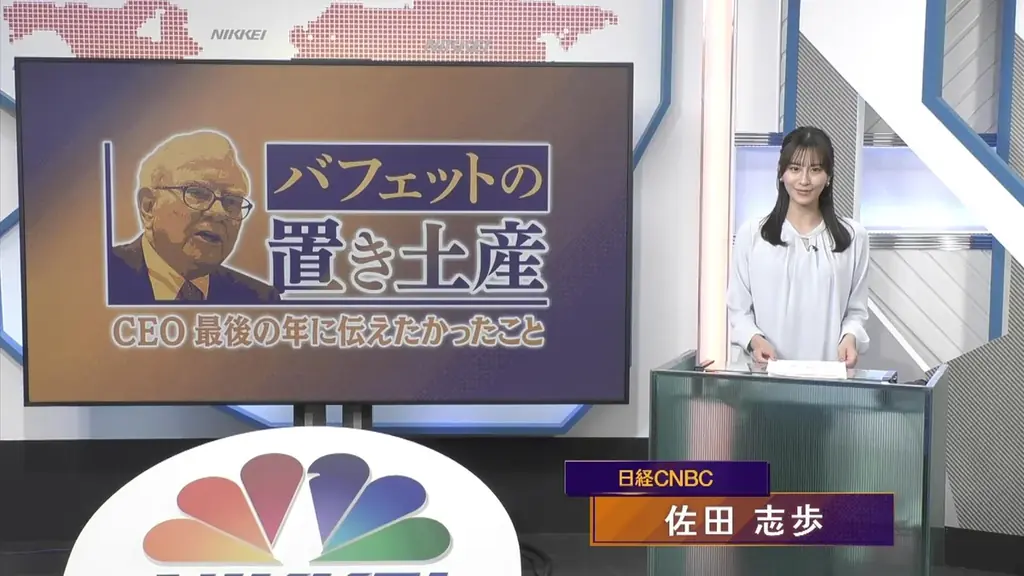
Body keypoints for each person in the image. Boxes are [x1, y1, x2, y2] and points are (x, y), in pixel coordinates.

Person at [727, 126, 869, 367]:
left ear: (828, 176)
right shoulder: (751, 234)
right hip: (764, 376)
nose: (804, 180)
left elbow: (856, 311)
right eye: (795, 169)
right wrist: (754, 339)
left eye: (815, 169)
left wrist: (850, 336)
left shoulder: (854, 238)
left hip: (827, 377)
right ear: (781, 173)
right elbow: (739, 310)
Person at [107, 130, 280, 305]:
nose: (219, 213)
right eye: (198, 193)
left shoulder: (258, 300)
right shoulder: (102, 274)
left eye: (232, 201)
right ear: (149, 206)